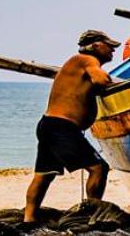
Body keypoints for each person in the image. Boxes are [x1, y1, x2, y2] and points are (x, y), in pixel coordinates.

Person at [25, 29, 119, 223]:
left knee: (44, 175)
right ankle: (93, 214)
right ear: (95, 46)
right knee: (99, 168)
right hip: (62, 127)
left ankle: (29, 219)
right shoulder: (86, 60)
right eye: (109, 46)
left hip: (49, 125)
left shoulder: (76, 64)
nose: (112, 50)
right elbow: (100, 79)